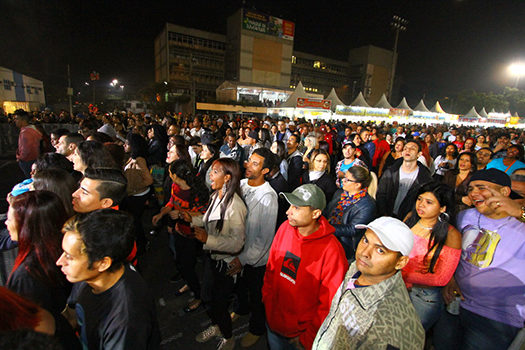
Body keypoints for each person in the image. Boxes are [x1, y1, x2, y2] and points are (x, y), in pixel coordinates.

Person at [439, 169, 525, 349]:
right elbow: (453, 253)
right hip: (455, 305)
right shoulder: (464, 217)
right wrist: (451, 278)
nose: (474, 193)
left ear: (504, 192)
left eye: (481, 187)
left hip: (496, 317)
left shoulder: (521, 225)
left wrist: (520, 213)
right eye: (470, 188)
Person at [312, 217, 425, 350]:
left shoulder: (391, 326)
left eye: (380, 250)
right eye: (365, 240)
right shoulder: (357, 268)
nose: (364, 253)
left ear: (401, 262)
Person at [57, 210, 160, 349]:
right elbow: (71, 314)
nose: (59, 261)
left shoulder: (124, 319)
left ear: (102, 263)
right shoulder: (87, 277)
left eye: (69, 257)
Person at [263, 184, 348, 350]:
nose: (288, 211)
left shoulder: (332, 251)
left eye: (296, 207)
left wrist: (308, 338)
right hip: (273, 322)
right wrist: (267, 300)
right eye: (289, 206)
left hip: (299, 336)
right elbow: (271, 268)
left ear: (315, 213)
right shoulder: (285, 228)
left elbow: (329, 303)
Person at [6, 191, 79, 349]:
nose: (6, 223)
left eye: (10, 219)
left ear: (27, 225)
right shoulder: (61, 249)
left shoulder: (27, 275)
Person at [193, 158, 247, 350]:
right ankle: (218, 325)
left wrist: (208, 239)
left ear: (227, 178)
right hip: (212, 258)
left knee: (218, 303)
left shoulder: (236, 206)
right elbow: (209, 220)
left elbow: (237, 243)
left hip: (225, 264)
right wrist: (191, 220)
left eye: (215, 172)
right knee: (207, 297)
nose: (210, 175)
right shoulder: (216, 196)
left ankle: (228, 336)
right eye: (211, 171)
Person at [229, 148, 278, 348]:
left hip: (255, 259)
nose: (248, 165)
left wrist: (243, 259)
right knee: (240, 287)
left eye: (256, 163)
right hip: (238, 250)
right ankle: (241, 309)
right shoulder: (241, 185)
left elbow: (263, 239)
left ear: (266, 170)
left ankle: (256, 328)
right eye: (250, 161)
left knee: (256, 295)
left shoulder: (268, 196)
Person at [402, 182, 462, 331]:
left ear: (443, 208)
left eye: (429, 202)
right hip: (398, 288)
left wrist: (404, 278)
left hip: (423, 297)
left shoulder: (450, 234)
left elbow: (441, 278)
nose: (421, 205)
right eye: (420, 199)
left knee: (410, 338)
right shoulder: (410, 220)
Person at [152, 160, 208, 312]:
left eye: (170, 172)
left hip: (192, 236)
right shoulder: (175, 186)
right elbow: (172, 201)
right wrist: (162, 213)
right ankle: (189, 283)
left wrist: (183, 214)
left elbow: (204, 215)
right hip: (179, 231)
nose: (168, 174)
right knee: (179, 262)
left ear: (176, 176)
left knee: (188, 266)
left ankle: (198, 295)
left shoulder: (195, 191)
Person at [325, 166, 376, 260]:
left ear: (357, 185)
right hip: (328, 238)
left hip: (345, 247)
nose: (343, 181)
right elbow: (328, 211)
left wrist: (326, 228)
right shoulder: (340, 193)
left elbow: (352, 229)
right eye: (344, 177)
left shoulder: (367, 205)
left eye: (347, 180)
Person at [376, 140, 432, 219]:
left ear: (419, 154)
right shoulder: (390, 172)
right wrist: (384, 215)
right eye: (405, 148)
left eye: (412, 149)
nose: (408, 150)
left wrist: (411, 216)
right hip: (387, 216)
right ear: (402, 153)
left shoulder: (424, 178)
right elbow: (381, 195)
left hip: (408, 220)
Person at [121, 133, 154, 255]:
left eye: (127, 143)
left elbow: (149, 180)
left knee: (135, 221)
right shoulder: (131, 157)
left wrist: (133, 188)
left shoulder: (139, 159)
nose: (124, 145)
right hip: (134, 194)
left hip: (138, 195)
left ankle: (142, 244)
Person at [14, 110, 42, 177]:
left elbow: (26, 150)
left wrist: (20, 157)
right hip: (35, 158)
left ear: (23, 119)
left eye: (17, 119)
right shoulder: (33, 129)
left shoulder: (25, 133)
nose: (15, 121)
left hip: (28, 161)